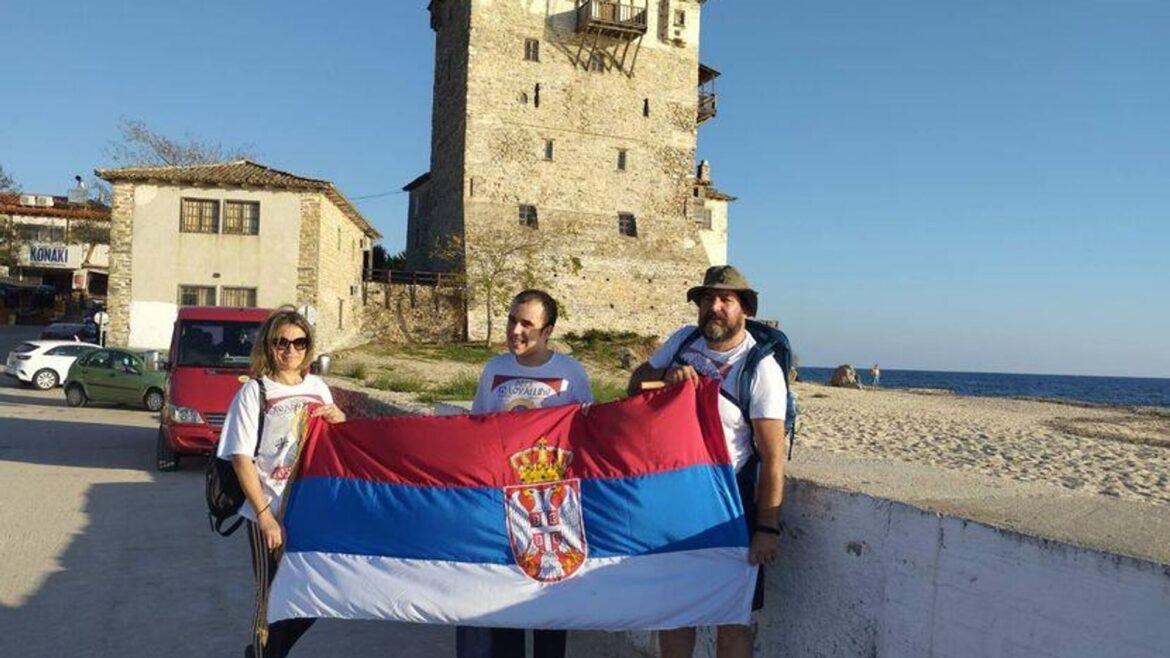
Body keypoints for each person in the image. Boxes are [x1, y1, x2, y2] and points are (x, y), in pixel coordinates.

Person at [627, 265, 788, 658]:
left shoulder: (759, 368)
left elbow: (772, 457)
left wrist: (767, 527)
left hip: (731, 507)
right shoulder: (684, 341)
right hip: (677, 503)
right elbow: (634, 386)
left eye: (725, 300)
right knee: (676, 612)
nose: (714, 307)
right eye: (706, 299)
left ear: (744, 309)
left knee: (731, 618)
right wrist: (666, 375)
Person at [456, 289, 593, 658]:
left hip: (553, 512)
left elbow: (586, 436)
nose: (515, 330)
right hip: (502, 506)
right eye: (512, 319)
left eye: (527, 324)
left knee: (550, 608)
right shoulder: (493, 369)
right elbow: (477, 432)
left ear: (547, 330)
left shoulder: (570, 373)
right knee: (506, 609)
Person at [218, 306, 347, 658]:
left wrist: (340, 419)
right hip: (269, 511)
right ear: (268, 345)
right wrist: (264, 515)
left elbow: (335, 446)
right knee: (271, 600)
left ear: (308, 347)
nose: (291, 350)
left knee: (319, 592)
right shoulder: (255, 392)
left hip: (310, 511)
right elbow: (241, 457)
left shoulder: (318, 388)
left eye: (299, 343)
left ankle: (262, 654)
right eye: (282, 343)